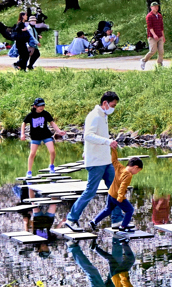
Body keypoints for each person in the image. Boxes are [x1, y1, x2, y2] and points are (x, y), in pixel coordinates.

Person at [63, 91, 123, 232]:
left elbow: (96, 136)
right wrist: (108, 142)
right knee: (90, 191)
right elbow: (88, 136)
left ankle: (117, 220)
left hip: (106, 160)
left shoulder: (103, 116)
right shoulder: (94, 116)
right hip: (96, 162)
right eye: (112, 105)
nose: (113, 108)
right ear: (105, 103)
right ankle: (71, 219)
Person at [88, 152, 143, 237]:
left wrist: (113, 149)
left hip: (111, 193)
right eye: (138, 170)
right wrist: (121, 197)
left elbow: (114, 160)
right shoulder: (128, 175)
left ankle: (94, 221)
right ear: (135, 167)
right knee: (130, 210)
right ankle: (123, 226)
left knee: (108, 209)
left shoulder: (120, 167)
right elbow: (122, 186)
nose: (137, 172)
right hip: (117, 196)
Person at [20, 98, 66, 177]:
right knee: (32, 153)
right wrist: (22, 134)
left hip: (46, 135)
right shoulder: (31, 115)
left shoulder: (46, 114)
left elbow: (52, 123)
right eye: (39, 106)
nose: (41, 107)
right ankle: (29, 171)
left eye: (43, 105)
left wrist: (59, 131)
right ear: (35, 106)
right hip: (35, 137)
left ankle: (51, 166)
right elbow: (23, 123)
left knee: (52, 151)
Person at [140, 2, 164, 70]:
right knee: (153, 51)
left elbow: (161, 27)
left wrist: (163, 36)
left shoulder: (159, 15)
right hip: (152, 36)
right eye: (155, 6)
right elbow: (149, 27)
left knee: (161, 51)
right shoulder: (149, 16)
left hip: (160, 35)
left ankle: (160, 64)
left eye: (157, 6)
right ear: (151, 7)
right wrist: (154, 35)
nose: (156, 8)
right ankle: (144, 60)